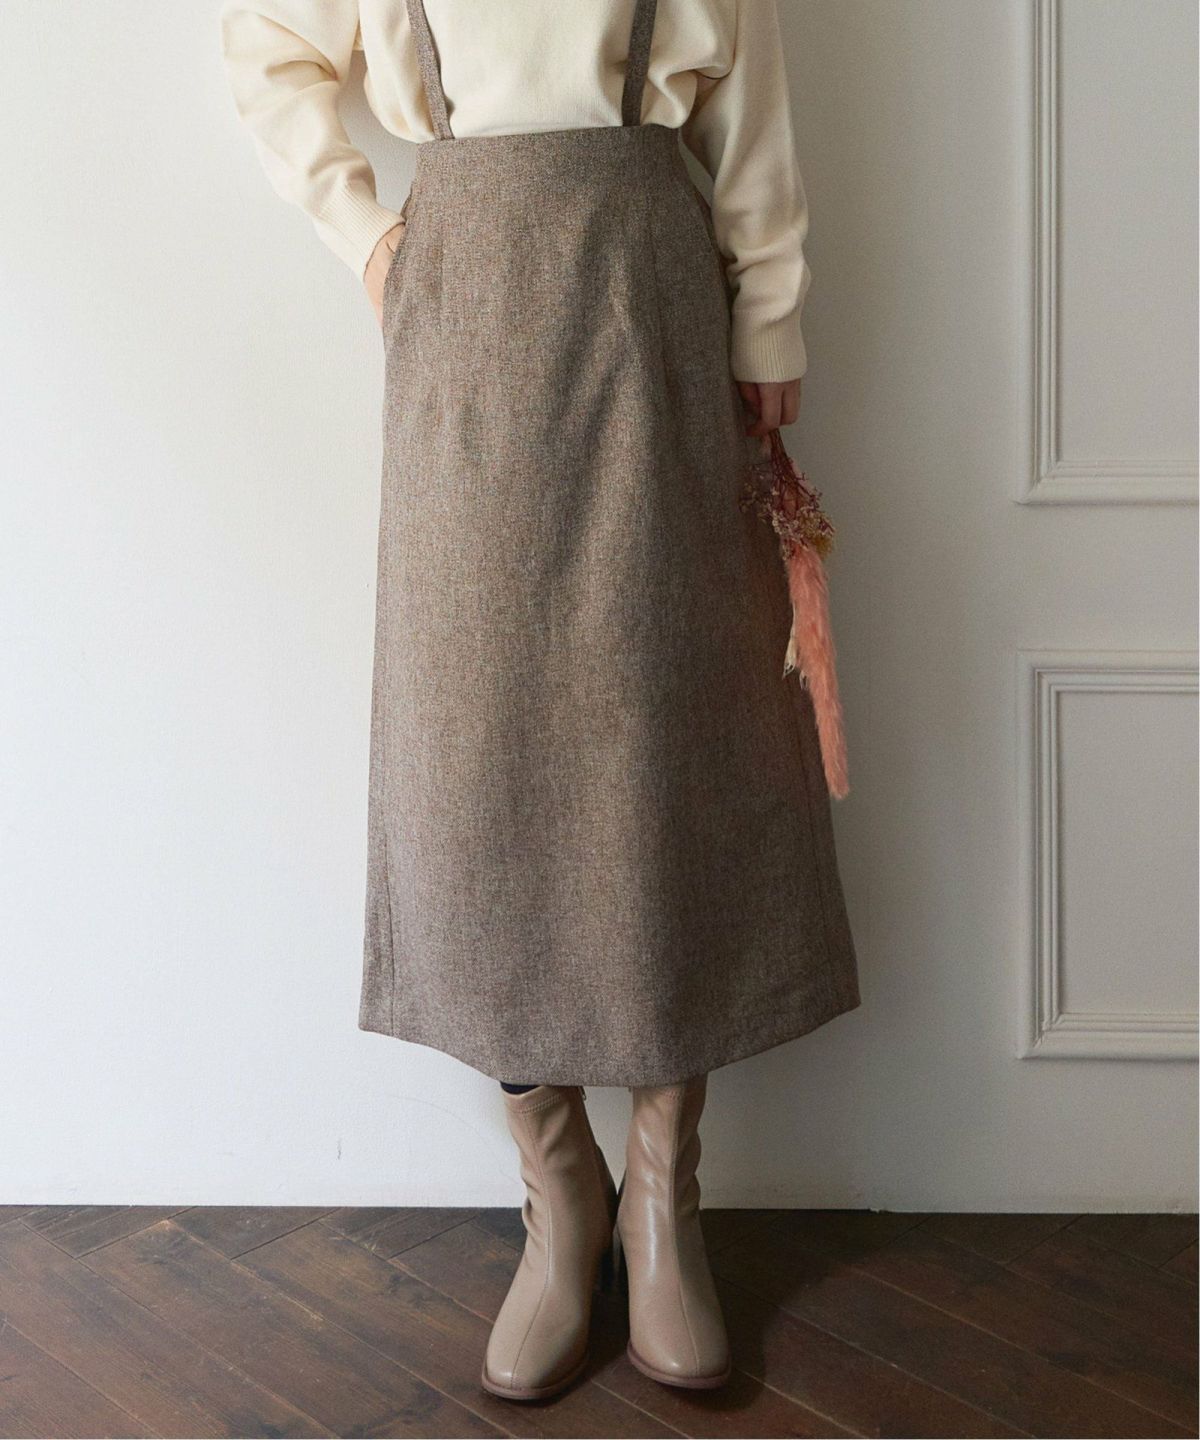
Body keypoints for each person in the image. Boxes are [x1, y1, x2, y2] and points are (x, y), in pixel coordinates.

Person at [220, 0, 860, 1401]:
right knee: (476, 756)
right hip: (462, 316)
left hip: (656, 313)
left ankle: (662, 1192)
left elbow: (748, 102)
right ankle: (559, 1191)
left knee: (670, 742)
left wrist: (771, 312)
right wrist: (366, 234)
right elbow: (266, 43)